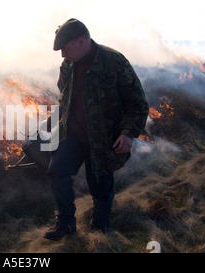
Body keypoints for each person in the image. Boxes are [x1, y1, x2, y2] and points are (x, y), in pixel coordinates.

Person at [44, 18, 149, 240]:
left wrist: (128, 133)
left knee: (100, 187)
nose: (62, 55)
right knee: (57, 172)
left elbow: (137, 104)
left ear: (81, 41)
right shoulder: (69, 65)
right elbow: (65, 95)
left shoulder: (114, 63)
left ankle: (100, 230)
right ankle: (66, 224)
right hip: (73, 135)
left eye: (65, 48)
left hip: (104, 139)